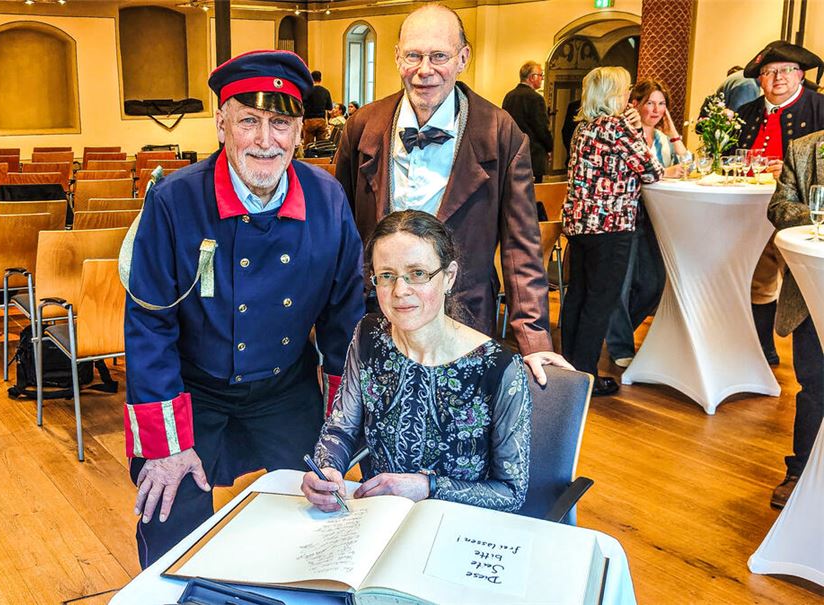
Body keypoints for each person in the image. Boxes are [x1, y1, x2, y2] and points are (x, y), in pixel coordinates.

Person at [123, 50, 365, 567]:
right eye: (249, 120)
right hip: (192, 390)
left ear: (300, 131)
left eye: (280, 122)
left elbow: (344, 323)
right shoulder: (173, 202)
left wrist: (337, 434)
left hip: (285, 389)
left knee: (325, 524)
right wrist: (166, 447)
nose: (264, 139)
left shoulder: (327, 200)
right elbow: (149, 327)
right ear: (221, 124)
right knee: (167, 516)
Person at [335, 3, 571, 386]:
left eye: (439, 56)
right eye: (413, 55)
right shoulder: (363, 126)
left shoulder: (499, 131)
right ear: (397, 57)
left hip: (462, 317)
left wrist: (533, 340)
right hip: (376, 315)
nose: (424, 69)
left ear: (463, 58)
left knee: (456, 432)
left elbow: (521, 246)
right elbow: (340, 230)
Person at [301, 210, 531, 512]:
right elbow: (341, 429)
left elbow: (511, 492)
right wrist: (327, 469)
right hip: (378, 517)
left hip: (456, 526)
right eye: (386, 276)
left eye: (418, 274)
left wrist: (427, 487)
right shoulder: (368, 335)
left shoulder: (499, 367)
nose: (400, 291)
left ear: (448, 277)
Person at [560, 66, 664, 396]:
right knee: (599, 301)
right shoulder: (617, 127)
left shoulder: (584, 128)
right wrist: (635, 130)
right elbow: (652, 171)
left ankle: (570, 369)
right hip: (610, 223)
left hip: (580, 223)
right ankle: (587, 377)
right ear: (612, 94)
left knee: (578, 296)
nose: (627, 97)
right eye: (624, 90)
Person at [736, 41, 824, 366]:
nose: (777, 78)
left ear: (800, 74)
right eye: (769, 72)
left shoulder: (820, 109)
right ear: (759, 79)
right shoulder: (746, 114)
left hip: (801, 215)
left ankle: (812, 357)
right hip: (749, 213)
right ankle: (763, 350)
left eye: (785, 70)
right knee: (760, 282)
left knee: (804, 285)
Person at [605, 80, 687, 367]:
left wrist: (673, 129)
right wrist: (666, 171)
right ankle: (620, 345)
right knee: (621, 283)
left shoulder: (663, 140)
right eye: (650, 102)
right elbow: (645, 173)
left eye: (661, 104)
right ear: (635, 104)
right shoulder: (627, 134)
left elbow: (688, 162)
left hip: (655, 217)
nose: (656, 109)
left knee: (654, 283)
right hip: (627, 213)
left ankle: (615, 326)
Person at [765, 130, 824, 509]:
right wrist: (817, 211)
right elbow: (779, 208)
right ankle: (800, 472)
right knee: (814, 384)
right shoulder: (805, 149)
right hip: (812, 290)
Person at [502, 60, 554, 182]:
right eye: (541, 75)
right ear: (532, 77)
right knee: (533, 193)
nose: (542, 79)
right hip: (532, 154)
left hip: (512, 151)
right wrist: (549, 147)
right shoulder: (536, 98)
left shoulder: (509, 96)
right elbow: (541, 128)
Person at [302, 70, 333, 147]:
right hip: (321, 120)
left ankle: (309, 158)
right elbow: (329, 107)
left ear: (311, 79)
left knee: (308, 145)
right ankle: (320, 158)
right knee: (321, 146)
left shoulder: (307, 91)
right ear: (320, 79)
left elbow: (302, 105)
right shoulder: (326, 91)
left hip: (309, 120)